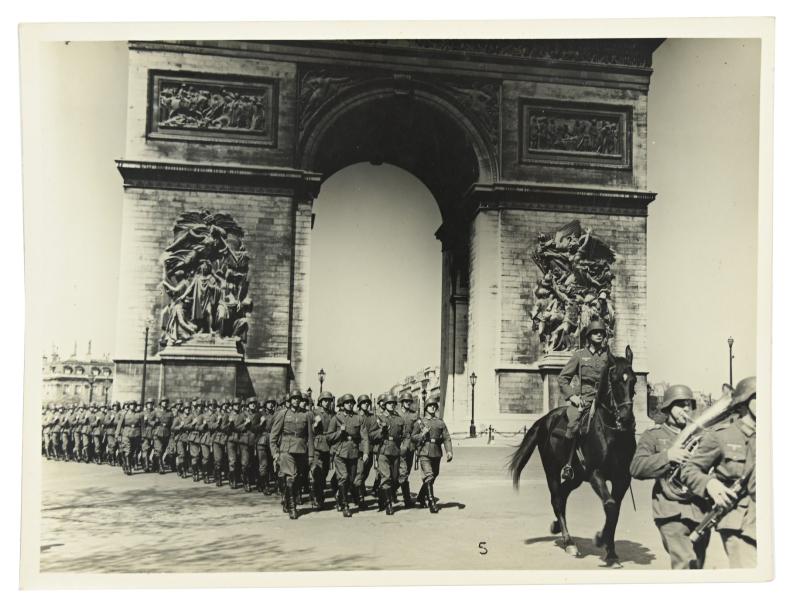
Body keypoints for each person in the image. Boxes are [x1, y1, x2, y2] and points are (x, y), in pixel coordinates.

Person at [630, 384, 710, 569]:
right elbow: (636, 468)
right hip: (670, 510)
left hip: (700, 511)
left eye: (689, 405)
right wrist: (668, 456)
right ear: (668, 407)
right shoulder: (654, 436)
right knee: (685, 562)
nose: (686, 409)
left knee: (697, 566)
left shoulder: (701, 436)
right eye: (680, 405)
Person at [681, 376, 757, 569]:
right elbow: (689, 469)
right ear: (745, 402)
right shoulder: (722, 436)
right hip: (739, 522)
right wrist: (709, 484)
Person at [556, 318, 610, 481]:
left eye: (601, 332)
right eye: (595, 332)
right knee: (573, 425)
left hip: (604, 401)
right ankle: (568, 464)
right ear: (589, 336)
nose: (599, 335)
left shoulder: (609, 356)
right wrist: (572, 396)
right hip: (584, 400)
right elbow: (563, 378)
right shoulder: (579, 356)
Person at [270, 389, 315, 519]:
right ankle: (292, 507)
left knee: (298, 479)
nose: (296, 400)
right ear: (289, 401)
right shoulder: (283, 414)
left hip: (301, 450)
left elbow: (310, 437)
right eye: (293, 398)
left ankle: (286, 498)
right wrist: (275, 452)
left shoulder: (306, 415)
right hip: (286, 450)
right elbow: (274, 435)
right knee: (291, 477)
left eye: (298, 398)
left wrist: (311, 455)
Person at [325, 393, 366, 518]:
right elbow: (329, 437)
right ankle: (345, 505)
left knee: (351, 479)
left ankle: (339, 496)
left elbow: (364, 437)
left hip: (353, 452)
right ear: (342, 405)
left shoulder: (358, 418)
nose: (350, 404)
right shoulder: (336, 418)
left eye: (352, 403)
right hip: (340, 452)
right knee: (344, 477)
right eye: (347, 403)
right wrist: (340, 432)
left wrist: (365, 452)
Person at [411, 397, 453, 513]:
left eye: (434, 406)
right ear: (426, 408)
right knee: (429, 475)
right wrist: (422, 435)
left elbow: (446, 437)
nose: (433, 407)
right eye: (430, 406)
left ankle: (420, 497)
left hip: (436, 452)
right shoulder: (420, 422)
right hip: (424, 451)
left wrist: (449, 451)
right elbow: (413, 437)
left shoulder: (440, 422)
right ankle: (431, 502)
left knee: (434, 475)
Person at [370, 394, 407, 515]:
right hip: (383, 450)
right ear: (385, 405)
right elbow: (372, 435)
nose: (392, 405)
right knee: (386, 477)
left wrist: (404, 446)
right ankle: (388, 504)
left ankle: (381, 499)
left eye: (393, 403)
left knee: (395, 478)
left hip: (396, 450)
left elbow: (405, 435)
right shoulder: (379, 418)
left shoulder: (399, 419)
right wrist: (382, 430)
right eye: (389, 403)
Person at [310, 391, 335, 509]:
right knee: (317, 472)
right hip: (318, 444)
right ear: (320, 401)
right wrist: (315, 424)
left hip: (329, 445)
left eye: (329, 400)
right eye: (325, 400)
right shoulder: (315, 412)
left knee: (324, 472)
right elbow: (309, 429)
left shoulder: (333, 414)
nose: (327, 402)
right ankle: (317, 498)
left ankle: (317, 493)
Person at [398, 392, 420, 508]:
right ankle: (406, 500)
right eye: (406, 401)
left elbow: (417, 430)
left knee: (406, 472)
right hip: (398, 446)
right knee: (402, 472)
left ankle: (395, 494)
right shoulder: (396, 414)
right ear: (401, 402)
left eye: (409, 401)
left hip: (410, 446)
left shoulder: (414, 415)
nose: (408, 403)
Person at [355, 394, 376, 507]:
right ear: (359, 404)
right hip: (358, 448)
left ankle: (359, 489)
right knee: (360, 471)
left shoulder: (372, 417)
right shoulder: (356, 416)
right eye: (364, 402)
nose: (366, 404)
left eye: (368, 402)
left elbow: (374, 430)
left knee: (367, 470)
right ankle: (360, 498)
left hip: (370, 447)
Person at [115, 400, 144, 475]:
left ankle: (126, 463)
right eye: (131, 405)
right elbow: (119, 425)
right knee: (127, 450)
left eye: (134, 405)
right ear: (128, 406)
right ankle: (128, 467)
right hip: (126, 433)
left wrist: (143, 435)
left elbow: (142, 426)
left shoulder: (139, 415)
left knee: (133, 451)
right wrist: (117, 434)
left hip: (136, 434)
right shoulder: (124, 414)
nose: (132, 406)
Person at [226, 399, 242, 488]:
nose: (237, 406)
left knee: (240, 460)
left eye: (238, 404)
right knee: (232, 461)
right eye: (235, 404)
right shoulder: (228, 415)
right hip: (231, 440)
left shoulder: (242, 415)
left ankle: (238, 477)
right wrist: (230, 424)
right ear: (232, 406)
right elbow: (224, 428)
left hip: (240, 440)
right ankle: (233, 480)